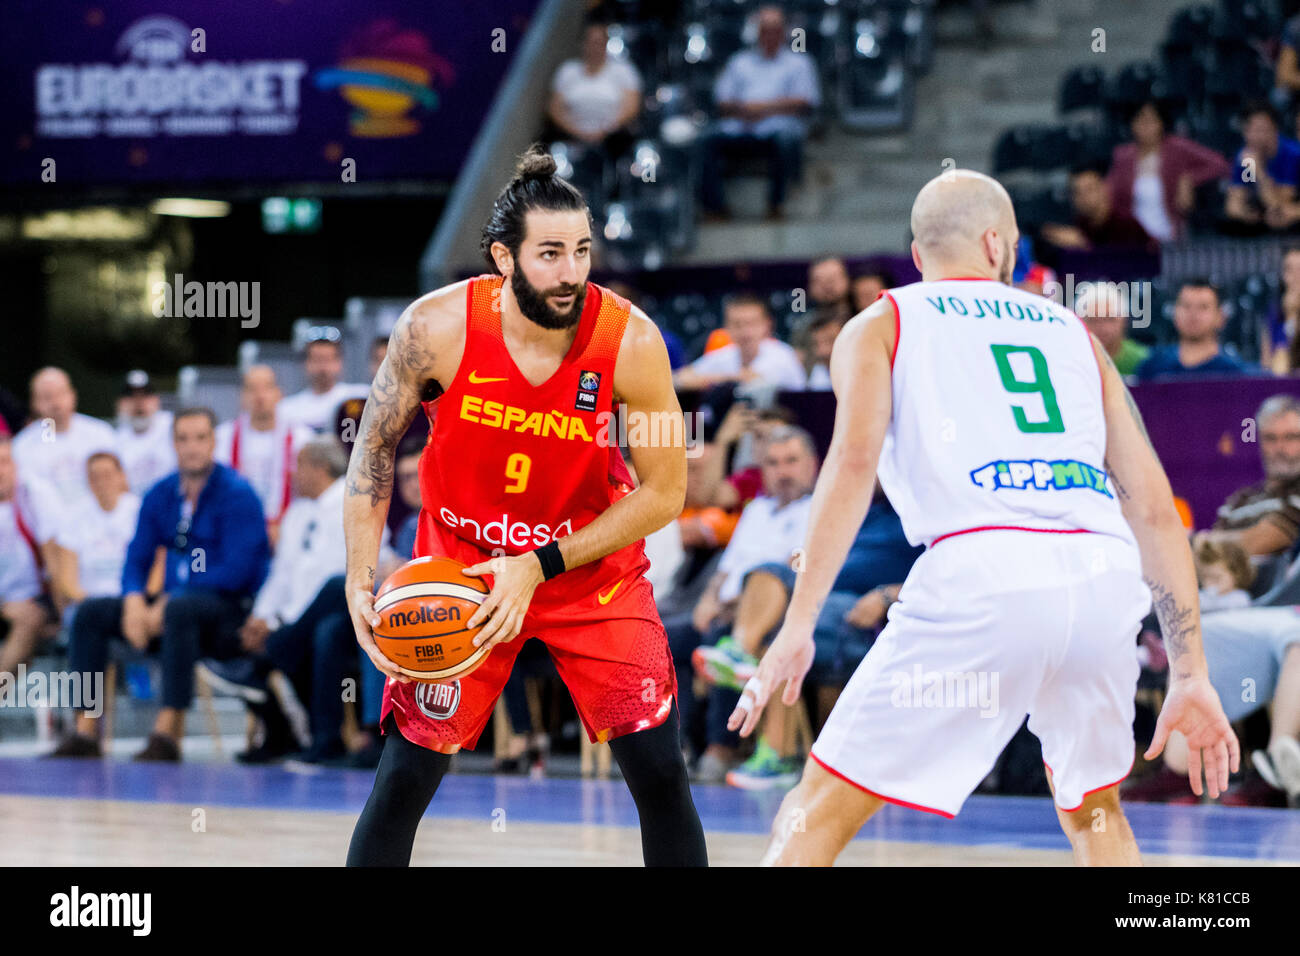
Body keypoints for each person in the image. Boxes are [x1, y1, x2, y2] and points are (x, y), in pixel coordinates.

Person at [732, 168, 1237, 866]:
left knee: (816, 805)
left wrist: (797, 625)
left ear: (917, 257)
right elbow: (1151, 507)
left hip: (982, 572)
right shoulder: (1074, 333)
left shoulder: (883, 321)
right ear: (999, 245)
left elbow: (850, 466)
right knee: (1094, 813)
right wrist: (1190, 672)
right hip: (1100, 573)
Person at [343, 146, 706, 867]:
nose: (572, 272)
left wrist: (539, 564)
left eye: (582, 251)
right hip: (464, 572)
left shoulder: (632, 342)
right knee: (405, 777)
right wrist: (359, 575)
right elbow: (375, 447)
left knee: (662, 775)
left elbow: (666, 492)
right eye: (550, 254)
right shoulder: (434, 328)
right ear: (503, 258)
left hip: (587, 570)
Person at [47, 408, 270, 762]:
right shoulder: (160, 494)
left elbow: (238, 571)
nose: (191, 447)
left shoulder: (238, 494)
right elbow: (137, 556)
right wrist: (134, 599)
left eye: (200, 438)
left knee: (182, 608)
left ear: (213, 442)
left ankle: (167, 733)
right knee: (90, 613)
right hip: (165, 607)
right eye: (182, 439)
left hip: (226, 613)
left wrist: (168, 600)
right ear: (173, 444)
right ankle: (86, 729)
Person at [699, 5, 820, 220]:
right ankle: (715, 208)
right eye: (765, 30)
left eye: (775, 29)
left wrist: (764, 108)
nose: (770, 35)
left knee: (787, 139)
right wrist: (743, 109)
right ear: (757, 32)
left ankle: (776, 204)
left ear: (783, 32)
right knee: (705, 139)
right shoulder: (739, 61)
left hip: (779, 127)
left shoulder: (799, 62)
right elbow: (722, 100)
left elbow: (805, 100)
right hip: (740, 125)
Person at [1107, 99, 1231, 243]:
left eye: (1151, 120)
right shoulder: (1122, 156)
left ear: (1162, 123)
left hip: (1170, 237)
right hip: (1133, 240)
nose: (1145, 126)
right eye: (1139, 120)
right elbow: (1110, 192)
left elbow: (1220, 164)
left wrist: (1189, 179)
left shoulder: (1177, 148)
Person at [216, 365, 316, 540]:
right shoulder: (222, 437)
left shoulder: (303, 439)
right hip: (235, 531)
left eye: (267, 387)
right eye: (252, 389)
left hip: (289, 533)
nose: (260, 396)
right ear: (242, 397)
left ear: (280, 393)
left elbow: (313, 493)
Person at [1199, 395, 1300, 558]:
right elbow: (1207, 557)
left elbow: (1258, 542)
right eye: (1270, 438)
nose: (1280, 447)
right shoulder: (1241, 498)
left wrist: (1202, 542)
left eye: (1291, 437)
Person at [50, 452, 140, 623]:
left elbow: (156, 564)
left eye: (107, 475)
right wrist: (89, 601)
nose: (102, 482)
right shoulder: (73, 516)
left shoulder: (139, 510)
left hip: (132, 601)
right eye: (95, 477)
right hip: (90, 604)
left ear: (122, 476)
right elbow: (67, 580)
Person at [11, 367, 115, 509]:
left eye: (60, 394)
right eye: (47, 397)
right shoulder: (23, 446)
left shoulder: (100, 433)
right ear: (34, 403)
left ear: (73, 395)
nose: (56, 403)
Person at [0, 435, 60, 677]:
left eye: (4, 462)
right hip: (5, 602)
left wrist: (62, 614)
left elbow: (55, 560)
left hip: (35, 597)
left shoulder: (34, 497)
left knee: (28, 619)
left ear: (16, 465)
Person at [546, 21, 642, 162]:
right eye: (590, 42)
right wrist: (577, 132)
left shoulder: (623, 70)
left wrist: (605, 130)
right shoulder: (567, 71)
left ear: (605, 44)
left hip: (612, 140)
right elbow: (554, 108)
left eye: (598, 42)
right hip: (572, 139)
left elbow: (632, 107)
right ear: (582, 43)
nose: (594, 47)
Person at [672, 293, 807, 391]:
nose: (745, 332)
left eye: (751, 323)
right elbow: (678, 379)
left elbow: (749, 379)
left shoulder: (782, 355)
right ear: (726, 327)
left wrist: (712, 380)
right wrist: (728, 378)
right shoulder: (725, 355)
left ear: (767, 325)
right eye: (737, 324)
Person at [1133, 280, 1256, 381]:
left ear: (1220, 317)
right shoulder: (1152, 368)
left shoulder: (1235, 375)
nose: (1193, 314)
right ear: (1174, 313)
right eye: (1186, 306)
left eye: (1203, 307)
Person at [1040, 162, 1154, 253]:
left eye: (1089, 189)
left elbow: (1124, 267)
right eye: (1077, 192)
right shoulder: (1081, 223)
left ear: (1104, 188)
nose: (1084, 197)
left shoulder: (1127, 225)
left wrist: (1084, 245)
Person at [1224, 102, 1300, 233]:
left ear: (1275, 129)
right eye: (1251, 130)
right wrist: (1245, 214)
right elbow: (1233, 205)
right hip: (1264, 221)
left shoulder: (1292, 155)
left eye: (1262, 129)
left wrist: (1258, 171)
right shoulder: (1247, 157)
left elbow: (1278, 206)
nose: (1257, 136)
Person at [277, 327, 369, 434]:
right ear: (305, 363)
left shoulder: (360, 397)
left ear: (340, 362)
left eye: (328, 359)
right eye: (317, 360)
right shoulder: (287, 409)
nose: (323, 367)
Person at [114, 370, 175, 495]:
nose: (139, 402)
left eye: (145, 395)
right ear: (120, 404)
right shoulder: (114, 441)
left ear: (157, 400)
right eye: (131, 396)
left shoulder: (173, 427)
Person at [1075, 281, 1149, 377]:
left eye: (1109, 319)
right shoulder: (1071, 361)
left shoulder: (1143, 361)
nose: (1102, 328)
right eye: (1093, 320)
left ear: (1124, 320)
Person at [1260, 244, 1300, 374]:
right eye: (1289, 269)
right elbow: (1267, 362)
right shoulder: (1274, 312)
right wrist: (1290, 315)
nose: (1295, 276)